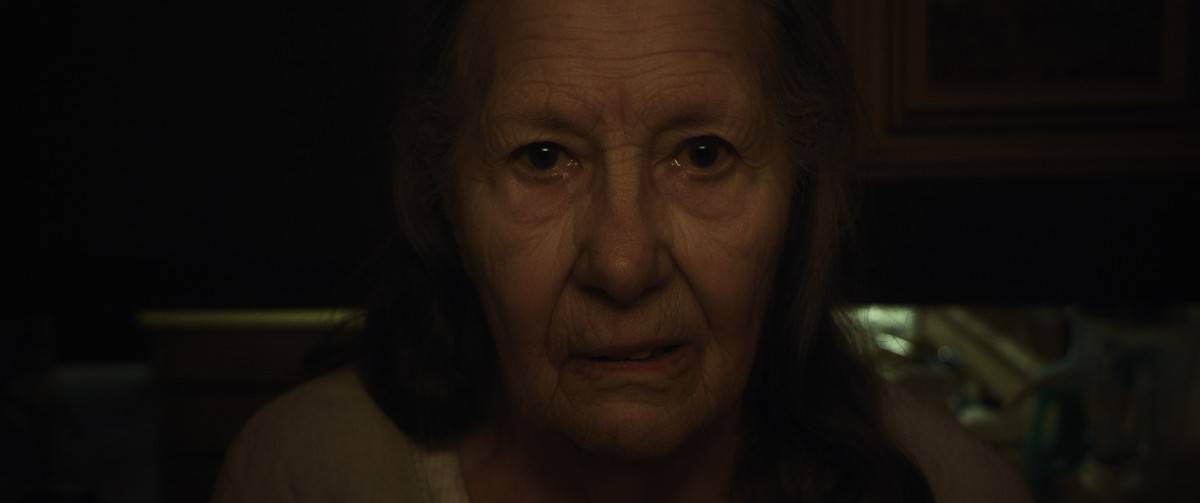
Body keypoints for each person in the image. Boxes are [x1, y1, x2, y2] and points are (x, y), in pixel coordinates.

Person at [212, 0, 1030, 501]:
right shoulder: (310, 474)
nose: (624, 263)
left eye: (703, 154)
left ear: (799, 184)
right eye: (542, 158)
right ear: (447, 197)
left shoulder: (956, 490)